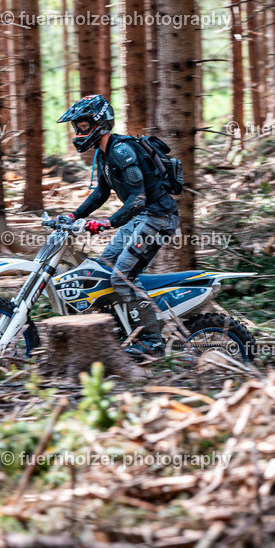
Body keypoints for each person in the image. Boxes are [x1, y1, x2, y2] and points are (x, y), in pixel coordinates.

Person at [56, 94, 180, 355]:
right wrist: (74, 215)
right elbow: (101, 193)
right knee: (105, 268)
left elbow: (138, 198)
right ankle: (122, 327)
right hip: (141, 218)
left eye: (83, 126)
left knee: (122, 277)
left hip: (158, 218)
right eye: (77, 127)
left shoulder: (122, 151)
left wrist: (107, 222)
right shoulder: (103, 154)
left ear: (99, 124)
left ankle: (154, 340)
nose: (79, 132)